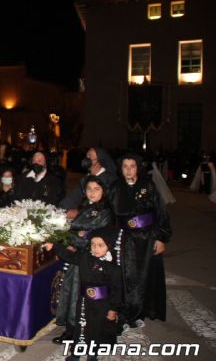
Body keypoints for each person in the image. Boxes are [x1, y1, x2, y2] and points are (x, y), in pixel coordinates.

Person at [44, 226, 122, 361]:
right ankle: (74, 360)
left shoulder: (113, 268)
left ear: (109, 246)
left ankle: (92, 360)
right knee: (80, 329)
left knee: (96, 332)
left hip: (102, 305)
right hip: (85, 302)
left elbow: (117, 290)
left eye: (100, 245)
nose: (96, 248)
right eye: (93, 244)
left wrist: (113, 309)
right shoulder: (85, 258)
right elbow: (69, 255)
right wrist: (55, 246)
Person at [109, 153, 172, 330]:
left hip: (147, 238)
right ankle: (124, 313)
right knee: (124, 276)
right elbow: (108, 215)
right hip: (124, 238)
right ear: (120, 169)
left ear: (138, 168)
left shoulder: (148, 186)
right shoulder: (115, 188)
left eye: (132, 166)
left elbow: (160, 212)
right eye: (125, 166)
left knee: (143, 276)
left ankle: (138, 313)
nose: (129, 170)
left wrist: (161, 237)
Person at [52, 176, 114, 345]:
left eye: (96, 189)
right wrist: (74, 235)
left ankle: (76, 332)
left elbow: (90, 239)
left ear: (104, 191)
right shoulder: (87, 207)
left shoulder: (105, 212)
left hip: (90, 260)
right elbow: (76, 231)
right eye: (89, 189)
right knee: (70, 291)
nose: (92, 192)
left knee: (80, 297)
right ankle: (70, 329)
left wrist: (71, 236)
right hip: (79, 257)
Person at [60, 148, 116, 220]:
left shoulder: (108, 180)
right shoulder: (86, 178)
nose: (86, 159)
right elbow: (74, 197)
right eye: (87, 156)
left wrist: (79, 213)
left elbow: (105, 207)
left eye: (90, 157)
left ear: (99, 161)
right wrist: (61, 208)